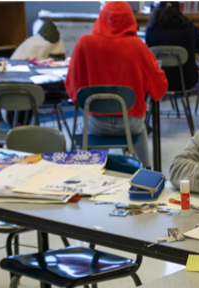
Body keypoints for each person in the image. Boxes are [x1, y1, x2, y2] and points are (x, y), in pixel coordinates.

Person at [65, 1, 168, 169]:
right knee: (140, 127)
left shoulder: (84, 43)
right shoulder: (139, 47)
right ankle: (146, 169)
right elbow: (160, 89)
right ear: (131, 20)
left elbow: (72, 90)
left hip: (95, 123)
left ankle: (87, 168)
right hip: (131, 123)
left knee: (82, 126)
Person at [145, 1, 199, 92]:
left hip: (157, 80)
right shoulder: (188, 27)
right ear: (179, 9)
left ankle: (154, 105)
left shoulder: (152, 29)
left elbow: (148, 49)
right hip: (185, 81)